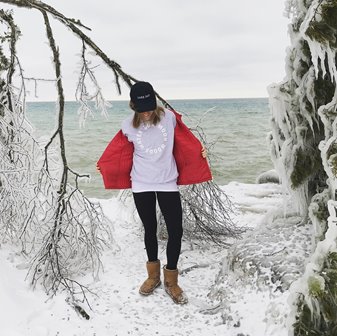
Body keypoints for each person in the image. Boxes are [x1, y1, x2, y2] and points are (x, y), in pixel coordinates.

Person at [97, 81, 212, 304]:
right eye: (142, 109)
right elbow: (117, 152)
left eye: (150, 107)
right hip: (141, 183)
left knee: (175, 230)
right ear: (133, 106)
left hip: (167, 181)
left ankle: (171, 280)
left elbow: (185, 139)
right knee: (150, 229)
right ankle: (153, 277)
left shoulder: (169, 118)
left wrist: (199, 151)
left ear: (155, 102)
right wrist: (106, 165)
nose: (147, 112)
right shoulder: (127, 125)